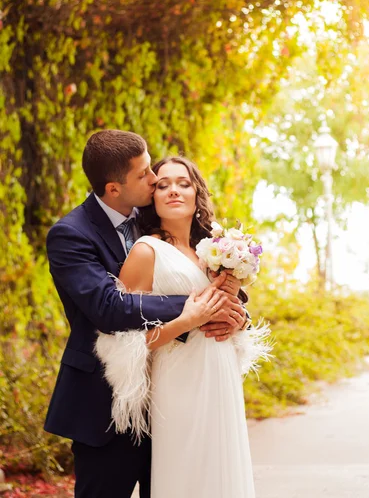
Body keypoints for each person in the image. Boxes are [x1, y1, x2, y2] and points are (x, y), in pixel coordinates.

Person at [44, 130, 247, 498]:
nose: (155, 180)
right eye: (144, 174)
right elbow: (108, 307)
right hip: (105, 403)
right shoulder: (70, 235)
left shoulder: (152, 215)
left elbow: (202, 268)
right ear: (113, 188)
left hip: (173, 398)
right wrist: (193, 309)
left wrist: (235, 310)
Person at [96, 156, 271, 498]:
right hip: (177, 380)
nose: (174, 190)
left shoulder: (212, 254)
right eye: (163, 184)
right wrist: (187, 321)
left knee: (224, 471)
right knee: (188, 474)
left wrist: (238, 322)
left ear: (196, 194)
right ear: (153, 197)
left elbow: (228, 311)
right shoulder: (146, 252)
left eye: (183, 183)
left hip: (220, 375)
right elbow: (125, 343)